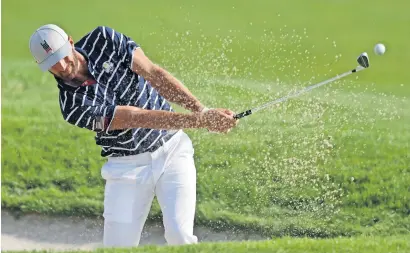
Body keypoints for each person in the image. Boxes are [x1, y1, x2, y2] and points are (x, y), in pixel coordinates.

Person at [28, 24, 239, 247]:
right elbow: (136, 118)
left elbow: (153, 73)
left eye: (61, 56)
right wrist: (201, 122)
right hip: (126, 168)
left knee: (180, 237)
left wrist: (202, 111)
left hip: (173, 151)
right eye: (52, 64)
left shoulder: (104, 39)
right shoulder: (72, 106)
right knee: (117, 248)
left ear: (70, 42)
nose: (61, 66)